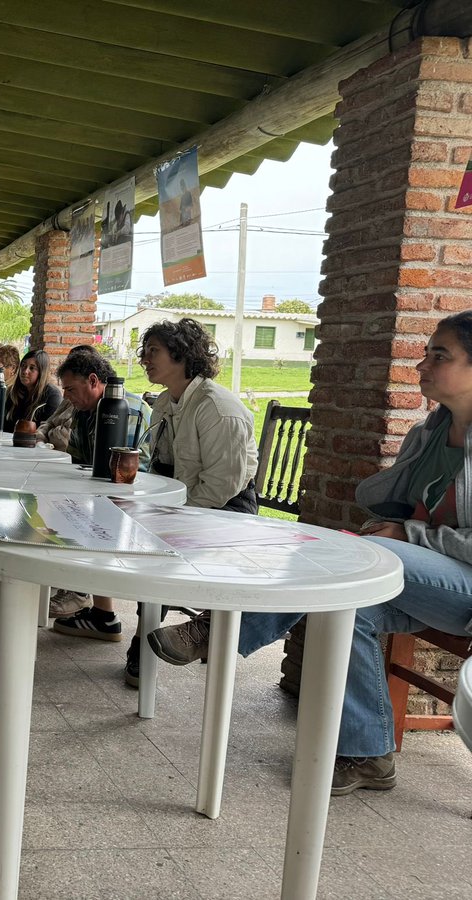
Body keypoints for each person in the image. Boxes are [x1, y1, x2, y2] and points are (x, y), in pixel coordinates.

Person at [151, 311, 472, 795]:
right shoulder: (429, 433)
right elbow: (403, 503)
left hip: (462, 585)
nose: (421, 363)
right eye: (425, 351)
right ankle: (369, 755)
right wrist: (396, 530)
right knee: (342, 603)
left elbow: (418, 531)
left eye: (439, 355)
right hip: (416, 574)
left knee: (344, 555)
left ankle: (218, 629)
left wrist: (408, 537)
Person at [127, 318, 258, 686]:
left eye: (154, 352)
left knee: (158, 548)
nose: (145, 360)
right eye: (145, 352)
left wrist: (172, 520)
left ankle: (144, 642)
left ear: (181, 355)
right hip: (184, 501)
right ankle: (144, 628)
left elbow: (222, 484)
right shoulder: (167, 402)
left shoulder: (217, 407)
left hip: (228, 508)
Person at [46, 347, 152, 630]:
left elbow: (131, 474)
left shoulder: (126, 409)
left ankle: (87, 598)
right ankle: (99, 610)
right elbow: (80, 462)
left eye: (70, 389)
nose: (66, 397)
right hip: (105, 494)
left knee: (86, 514)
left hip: (143, 499)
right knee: (55, 505)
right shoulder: (84, 412)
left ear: (93, 380)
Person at [4, 349, 61, 433]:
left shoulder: (52, 395)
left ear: (41, 372)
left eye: (32, 368)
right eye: (23, 366)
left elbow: (47, 431)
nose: (25, 371)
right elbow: (5, 426)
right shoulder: (13, 392)